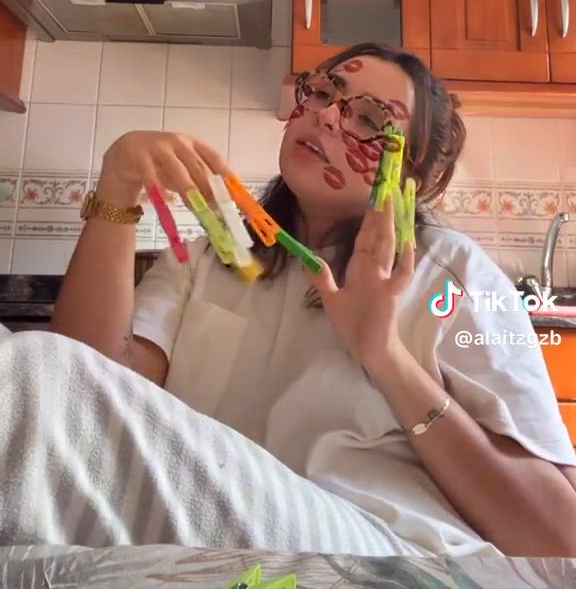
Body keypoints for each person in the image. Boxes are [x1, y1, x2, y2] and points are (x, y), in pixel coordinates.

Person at [50, 42, 576, 558]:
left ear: (415, 177)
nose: (326, 116)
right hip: (205, 550)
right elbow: (79, 404)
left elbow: (557, 535)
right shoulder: (210, 257)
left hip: (387, 558)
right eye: (323, 92)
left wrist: (384, 357)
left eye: (369, 120)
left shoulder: (452, 276)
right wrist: (118, 186)